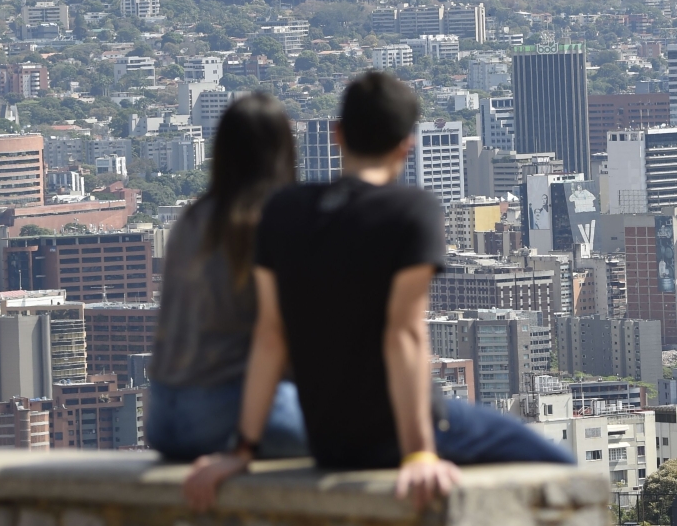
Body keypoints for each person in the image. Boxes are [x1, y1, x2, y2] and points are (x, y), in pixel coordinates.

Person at [183, 72, 574, 511]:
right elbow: (403, 334)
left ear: (337, 135)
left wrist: (241, 450)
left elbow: (270, 336)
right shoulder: (410, 210)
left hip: (329, 441)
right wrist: (419, 451)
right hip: (400, 434)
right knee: (562, 469)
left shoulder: (284, 210)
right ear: (407, 146)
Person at [146, 92, 308, 461]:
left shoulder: (192, 219)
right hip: (226, 417)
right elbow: (278, 335)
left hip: (163, 419)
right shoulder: (274, 219)